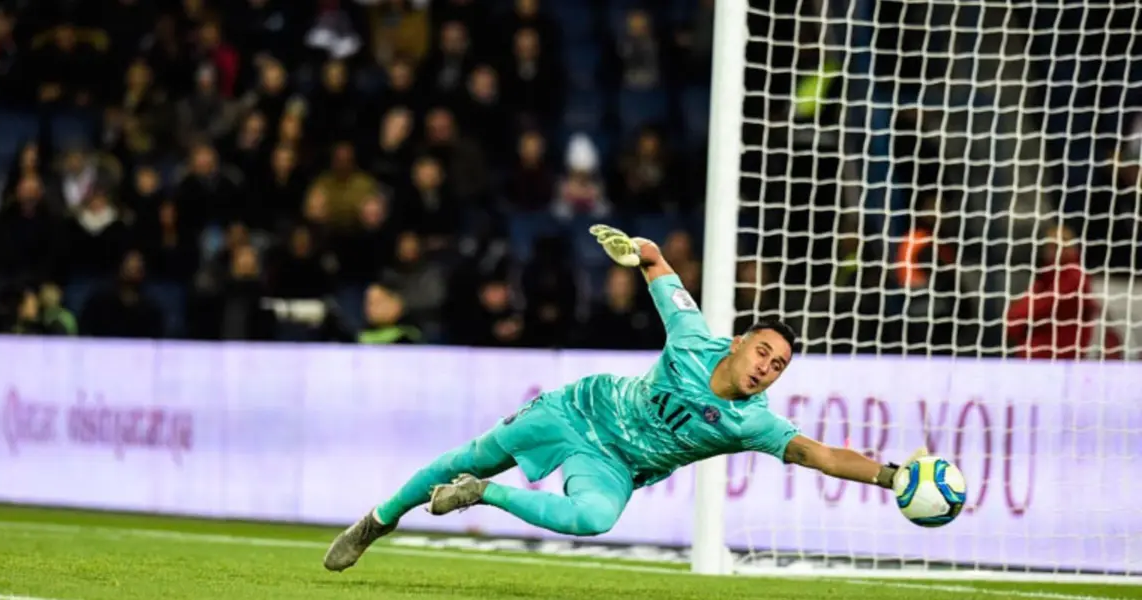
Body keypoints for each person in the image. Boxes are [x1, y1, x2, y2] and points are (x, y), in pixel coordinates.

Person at [323, 225, 926, 572]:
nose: (766, 368)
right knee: (471, 454)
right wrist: (636, 249)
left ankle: (483, 494)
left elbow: (822, 455)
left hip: (613, 464)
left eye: (778, 366)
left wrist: (892, 475)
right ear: (739, 342)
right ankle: (377, 521)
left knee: (593, 519)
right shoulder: (693, 337)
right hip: (578, 410)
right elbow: (657, 262)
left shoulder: (752, 424)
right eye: (762, 352)